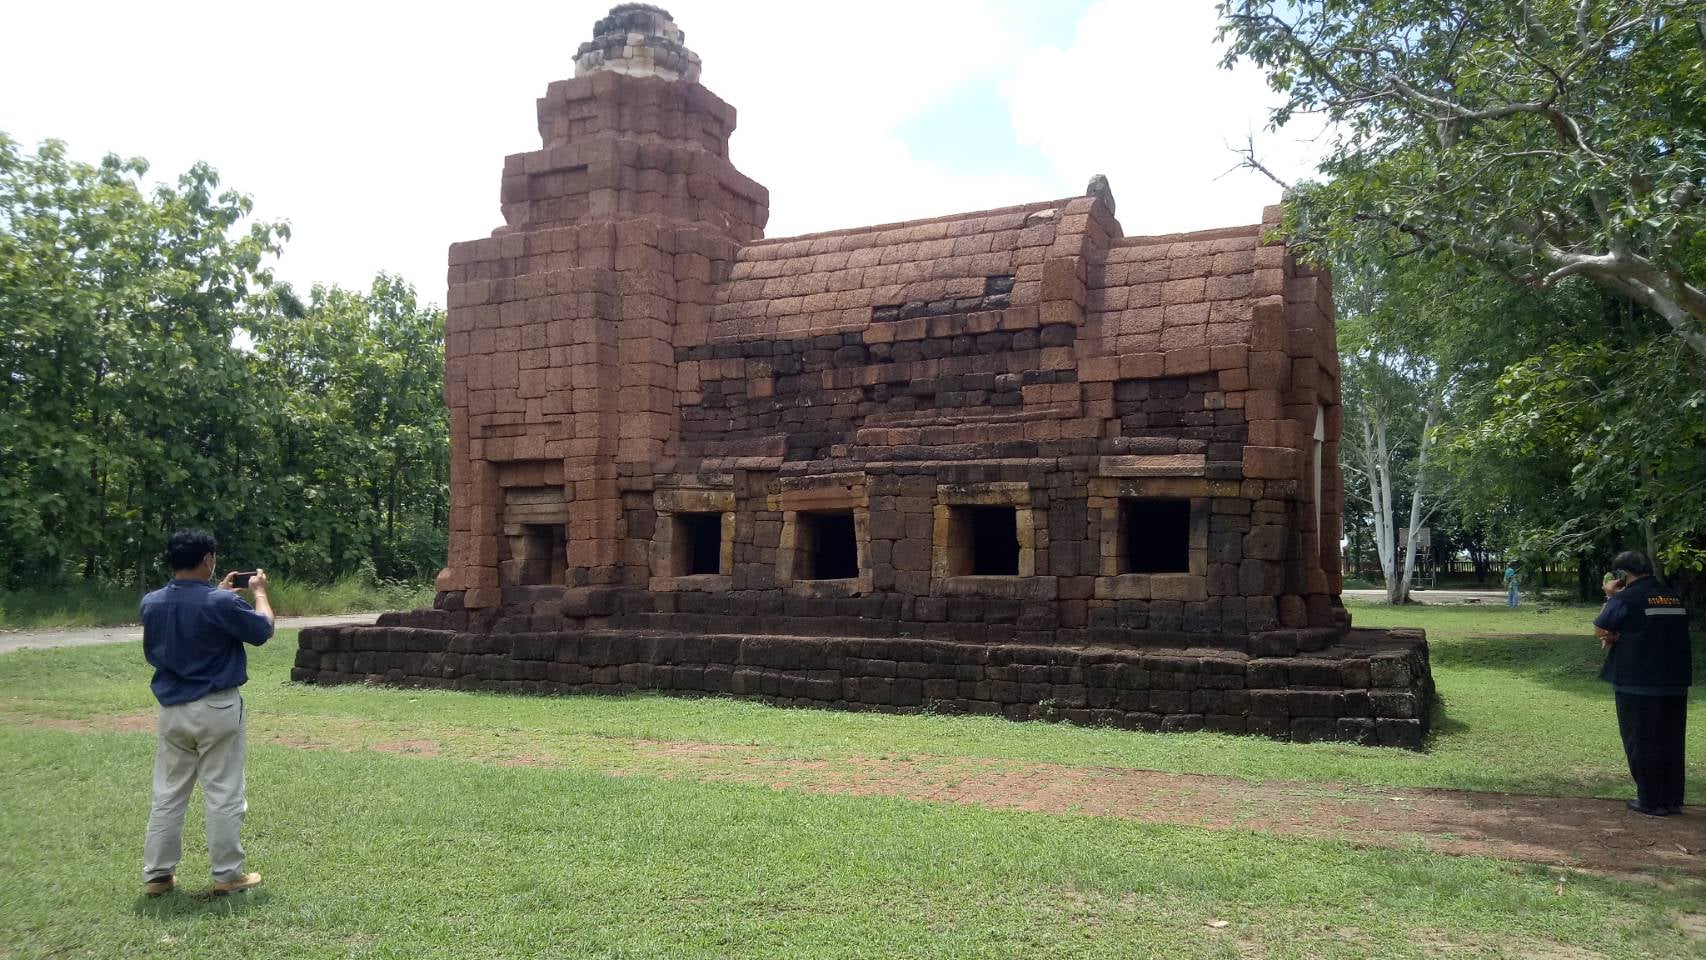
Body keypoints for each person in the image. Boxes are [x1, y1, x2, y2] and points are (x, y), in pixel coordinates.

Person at [139, 529, 274, 896]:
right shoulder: (220, 603)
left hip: (171, 707)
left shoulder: (151, 602)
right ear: (208, 560)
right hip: (216, 706)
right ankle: (227, 873)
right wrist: (259, 593)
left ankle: (158, 875)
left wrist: (221, 595)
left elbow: (192, 616)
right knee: (224, 790)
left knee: (168, 793)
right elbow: (262, 630)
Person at [1593, 550, 1692, 817]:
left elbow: (1602, 627)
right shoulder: (1672, 596)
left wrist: (1610, 596)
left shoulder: (1626, 597)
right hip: (1675, 680)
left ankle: (1649, 801)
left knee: (1642, 740)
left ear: (1623, 575)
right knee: (1670, 740)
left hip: (1637, 681)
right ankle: (1671, 800)